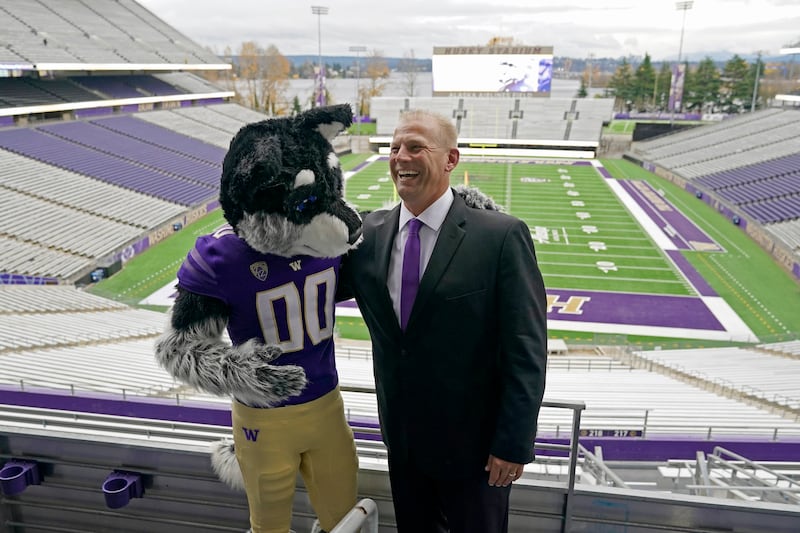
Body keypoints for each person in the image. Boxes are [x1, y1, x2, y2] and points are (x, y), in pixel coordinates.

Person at [338, 109, 548, 533]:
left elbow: (526, 349)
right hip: (404, 444)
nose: (401, 157)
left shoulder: (500, 237)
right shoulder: (367, 235)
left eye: (415, 147)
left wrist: (513, 443)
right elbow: (308, 280)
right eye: (394, 148)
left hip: (478, 453)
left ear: (451, 160)